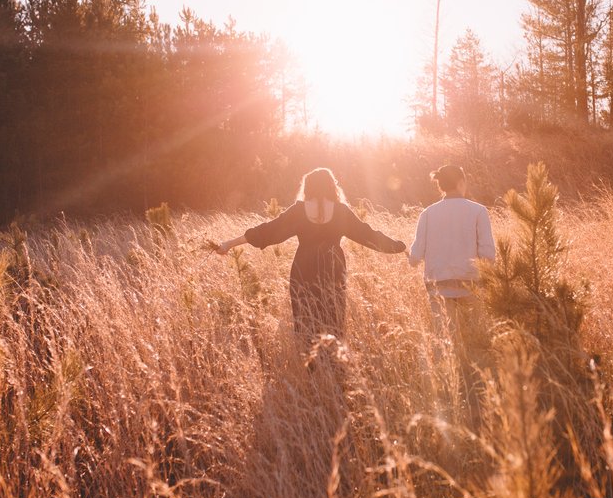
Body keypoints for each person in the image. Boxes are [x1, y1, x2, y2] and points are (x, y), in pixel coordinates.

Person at [207, 168, 406, 345]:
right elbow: (368, 235)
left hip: (303, 269)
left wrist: (229, 244)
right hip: (333, 268)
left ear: (308, 187)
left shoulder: (299, 211)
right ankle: (333, 367)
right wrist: (398, 246)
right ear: (331, 186)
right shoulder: (340, 212)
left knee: (305, 322)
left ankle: (310, 370)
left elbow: (266, 232)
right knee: (333, 321)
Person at [408, 164, 496, 423]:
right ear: (461, 181)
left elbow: (415, 256)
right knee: (475, 342)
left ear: (440, 185)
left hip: (438, 287)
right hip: (472, 285)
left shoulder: (427, 214)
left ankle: (448, 392)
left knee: (445, 341)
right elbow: (488, 254)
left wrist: (410, 255)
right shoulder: (479, 211)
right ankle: (477, 393)